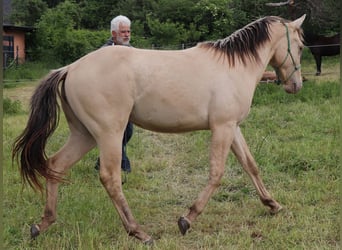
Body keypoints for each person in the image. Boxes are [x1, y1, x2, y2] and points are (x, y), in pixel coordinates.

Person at [94, 15, 133, 175]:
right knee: (117, 132)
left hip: (126, 99)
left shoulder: (131, 51)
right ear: (113, 33)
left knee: (128, 131)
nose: (127, 34)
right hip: (108, 100)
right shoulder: (104, 52)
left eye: (128, 31)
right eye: (123, 31)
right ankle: (122, 163)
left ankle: (101, 161)